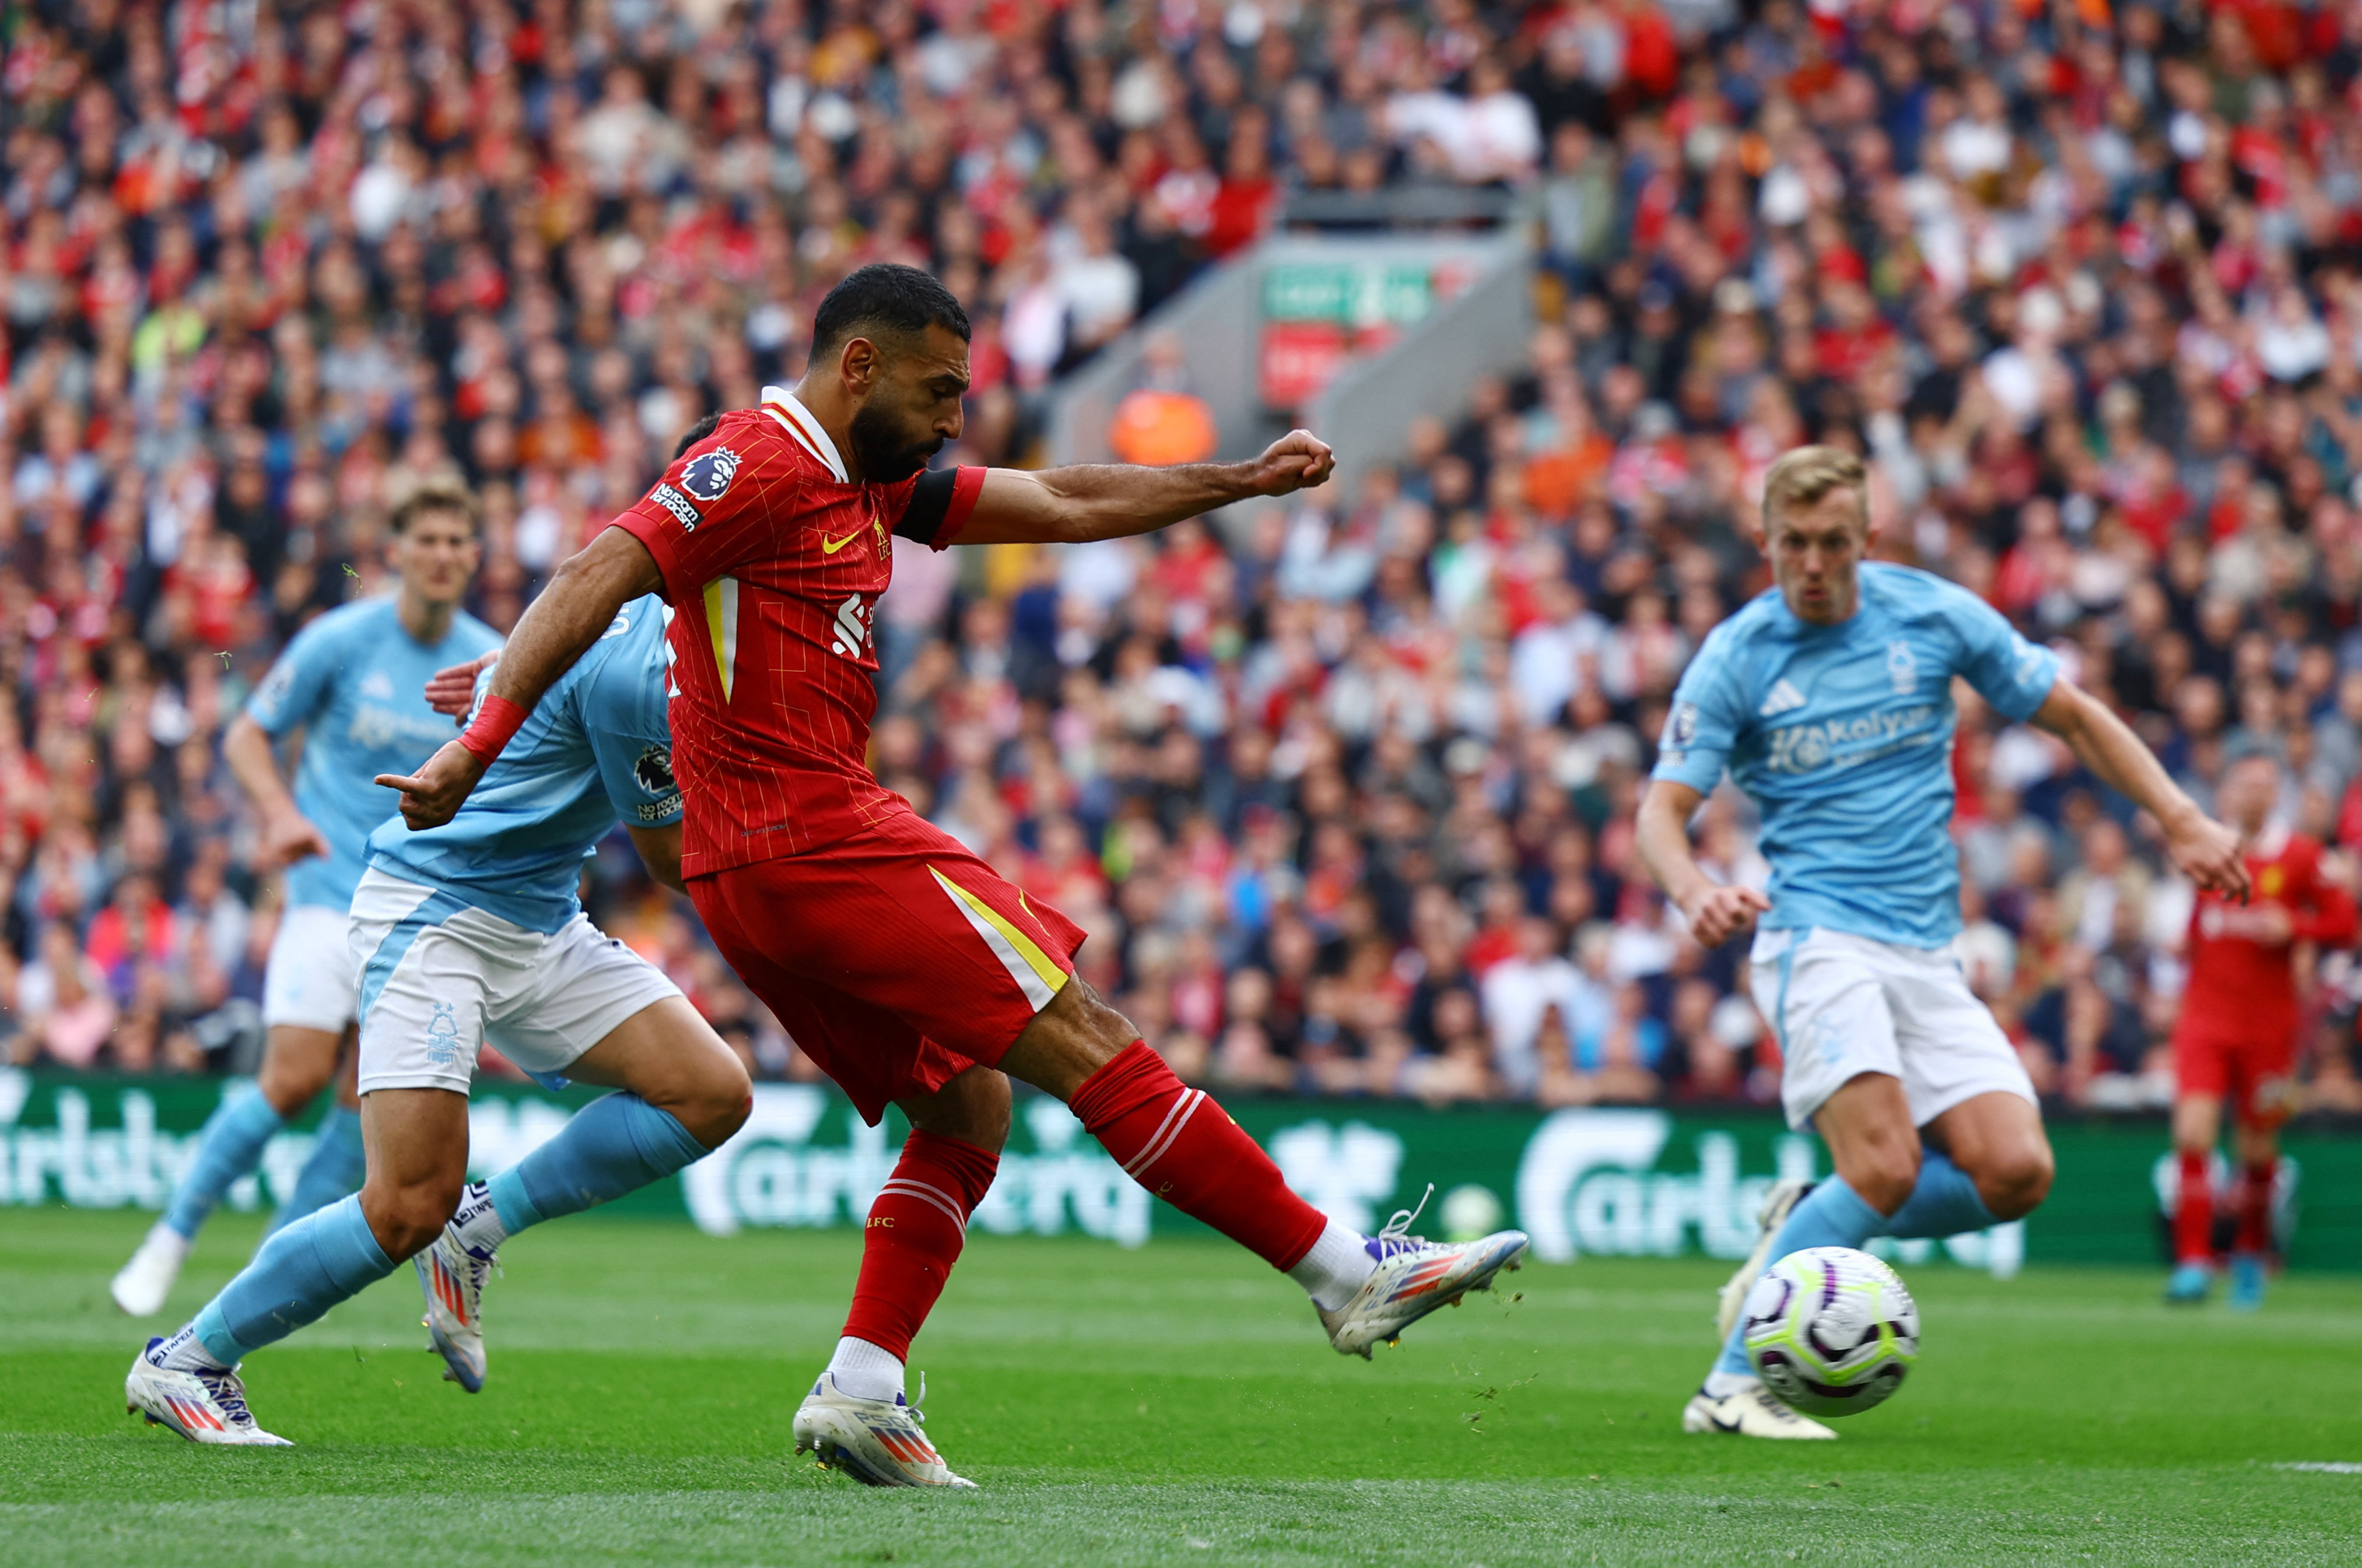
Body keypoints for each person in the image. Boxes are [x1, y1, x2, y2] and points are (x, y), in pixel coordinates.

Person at [379, 263, 1532, 1489]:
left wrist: (1234, 480)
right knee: (1084, 1033)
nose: (952, 419)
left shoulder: (866, 482)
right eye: (939, 391)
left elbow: (1068, 497)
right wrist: (477, 745)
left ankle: (864, 1388)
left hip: (756, 870)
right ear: (860, 366)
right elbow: (596, 569)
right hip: (814, 836)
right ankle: (1348, 1279)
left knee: (971, 1102)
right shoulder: (760, 461)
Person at [1635, 446, 2249, 1440]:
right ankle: (1729, 1384)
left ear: (1869, 538)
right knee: (1881, 1165)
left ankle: (1804, 1222)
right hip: (1816, 934)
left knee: (2016, 1173)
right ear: (1766, 542)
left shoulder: (1931, 614)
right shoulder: (1738, 655)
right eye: (1794, 543)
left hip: (1925, 948)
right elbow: (1660, 810)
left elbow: (2077, 718)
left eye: (1835, 542)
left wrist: (2179, 817)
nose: (1815, 563)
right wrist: (1692, 885)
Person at [125, 570, 749, 1444]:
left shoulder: (643, 618)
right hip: (437, 911)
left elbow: (564, 659)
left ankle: (477, 1227)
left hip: (538, 918)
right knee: (403, 1204)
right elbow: (670, 860)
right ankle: (186, 1361)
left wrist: (508, 669)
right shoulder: (645, 663)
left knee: (712, 1092)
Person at [111, 483, 502, 1318]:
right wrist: (281, 814)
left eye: (457, 540)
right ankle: (171, 1235)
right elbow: (249, 732)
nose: (442, 554)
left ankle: (254, 1281)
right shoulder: (341, 639)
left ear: (475, 554)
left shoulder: (491, 659)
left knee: (360, 1097)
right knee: (290, 1079)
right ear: (395, 550)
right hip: (328, 890)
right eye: (426, 538)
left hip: (419, 909)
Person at [2163, 748, 2354, 1309]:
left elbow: (2344, 923)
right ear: (2228, 791)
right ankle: (2193, 1262)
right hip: (2205, 1016)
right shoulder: (2209, 849)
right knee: (2193, 1133)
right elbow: (2200, 924)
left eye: (2264, 785)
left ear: (2278, 794)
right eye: (2244, 783)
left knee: (2256, 1146)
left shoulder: (2301, 857)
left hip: (2270, 1025)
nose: (2253, 793)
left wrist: (2292, 924)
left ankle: (2249, 1254)